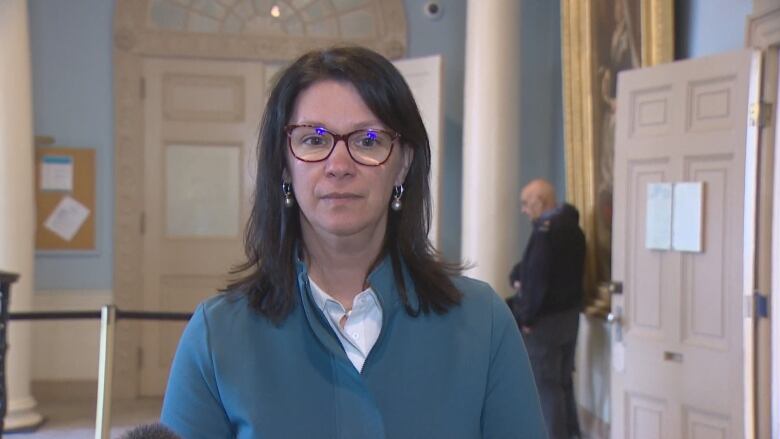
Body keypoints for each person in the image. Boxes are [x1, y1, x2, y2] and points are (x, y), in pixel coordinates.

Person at [160, 46, 546, 438]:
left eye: (368, 140)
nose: (339, 166)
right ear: (283, 165)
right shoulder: (216, 335)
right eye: (313, 140)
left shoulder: (483, 322)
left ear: (404, 164)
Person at [506, 179, 586, 439]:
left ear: (540, 202)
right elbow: (542, 269)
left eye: (526, 204)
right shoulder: (574, 229)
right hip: (569, 318)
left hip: (545, 323)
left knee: (545, 386)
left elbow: (538, 279)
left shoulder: (545, 231)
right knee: (563, 383)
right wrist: (520, 272)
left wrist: (525, 317)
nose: (524, 210)